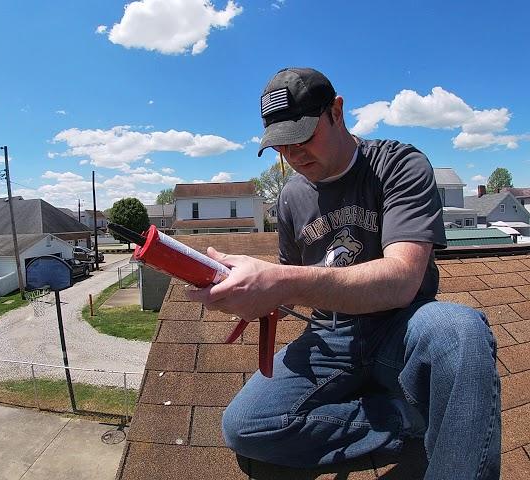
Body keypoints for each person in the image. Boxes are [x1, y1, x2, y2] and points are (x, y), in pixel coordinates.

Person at [187, 68, 500, 479]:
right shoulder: (291, 197)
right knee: (245, 427)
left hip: (401, 330)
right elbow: (288, 286)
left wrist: (283, 282)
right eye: (281, 145)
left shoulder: (399, 164)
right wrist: (250, 294)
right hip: (330, 338)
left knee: (460, 329)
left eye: (302, 136)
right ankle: (407, 419)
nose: (294, 154)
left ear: (337, 111)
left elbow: (403, 280)